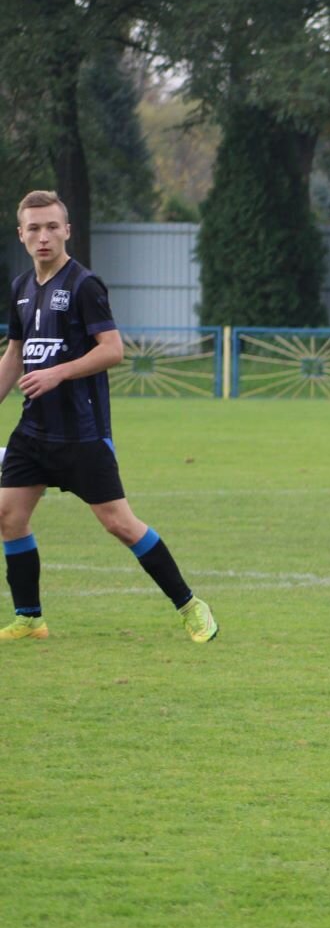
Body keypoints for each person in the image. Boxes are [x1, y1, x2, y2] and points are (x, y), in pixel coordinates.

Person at [0, 190, 217, 643]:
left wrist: (58, 373)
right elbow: (14, 356)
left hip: (82, 433)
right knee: (8, 515)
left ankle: (191, 606)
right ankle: (30, 618)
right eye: (34, 228)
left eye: (52, 227)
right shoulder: (21, 288)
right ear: (21, 235)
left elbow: (113, 350)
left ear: (67, 230)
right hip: (34, 431)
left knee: (119, 524)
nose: (44, 236)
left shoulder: (85, 286)